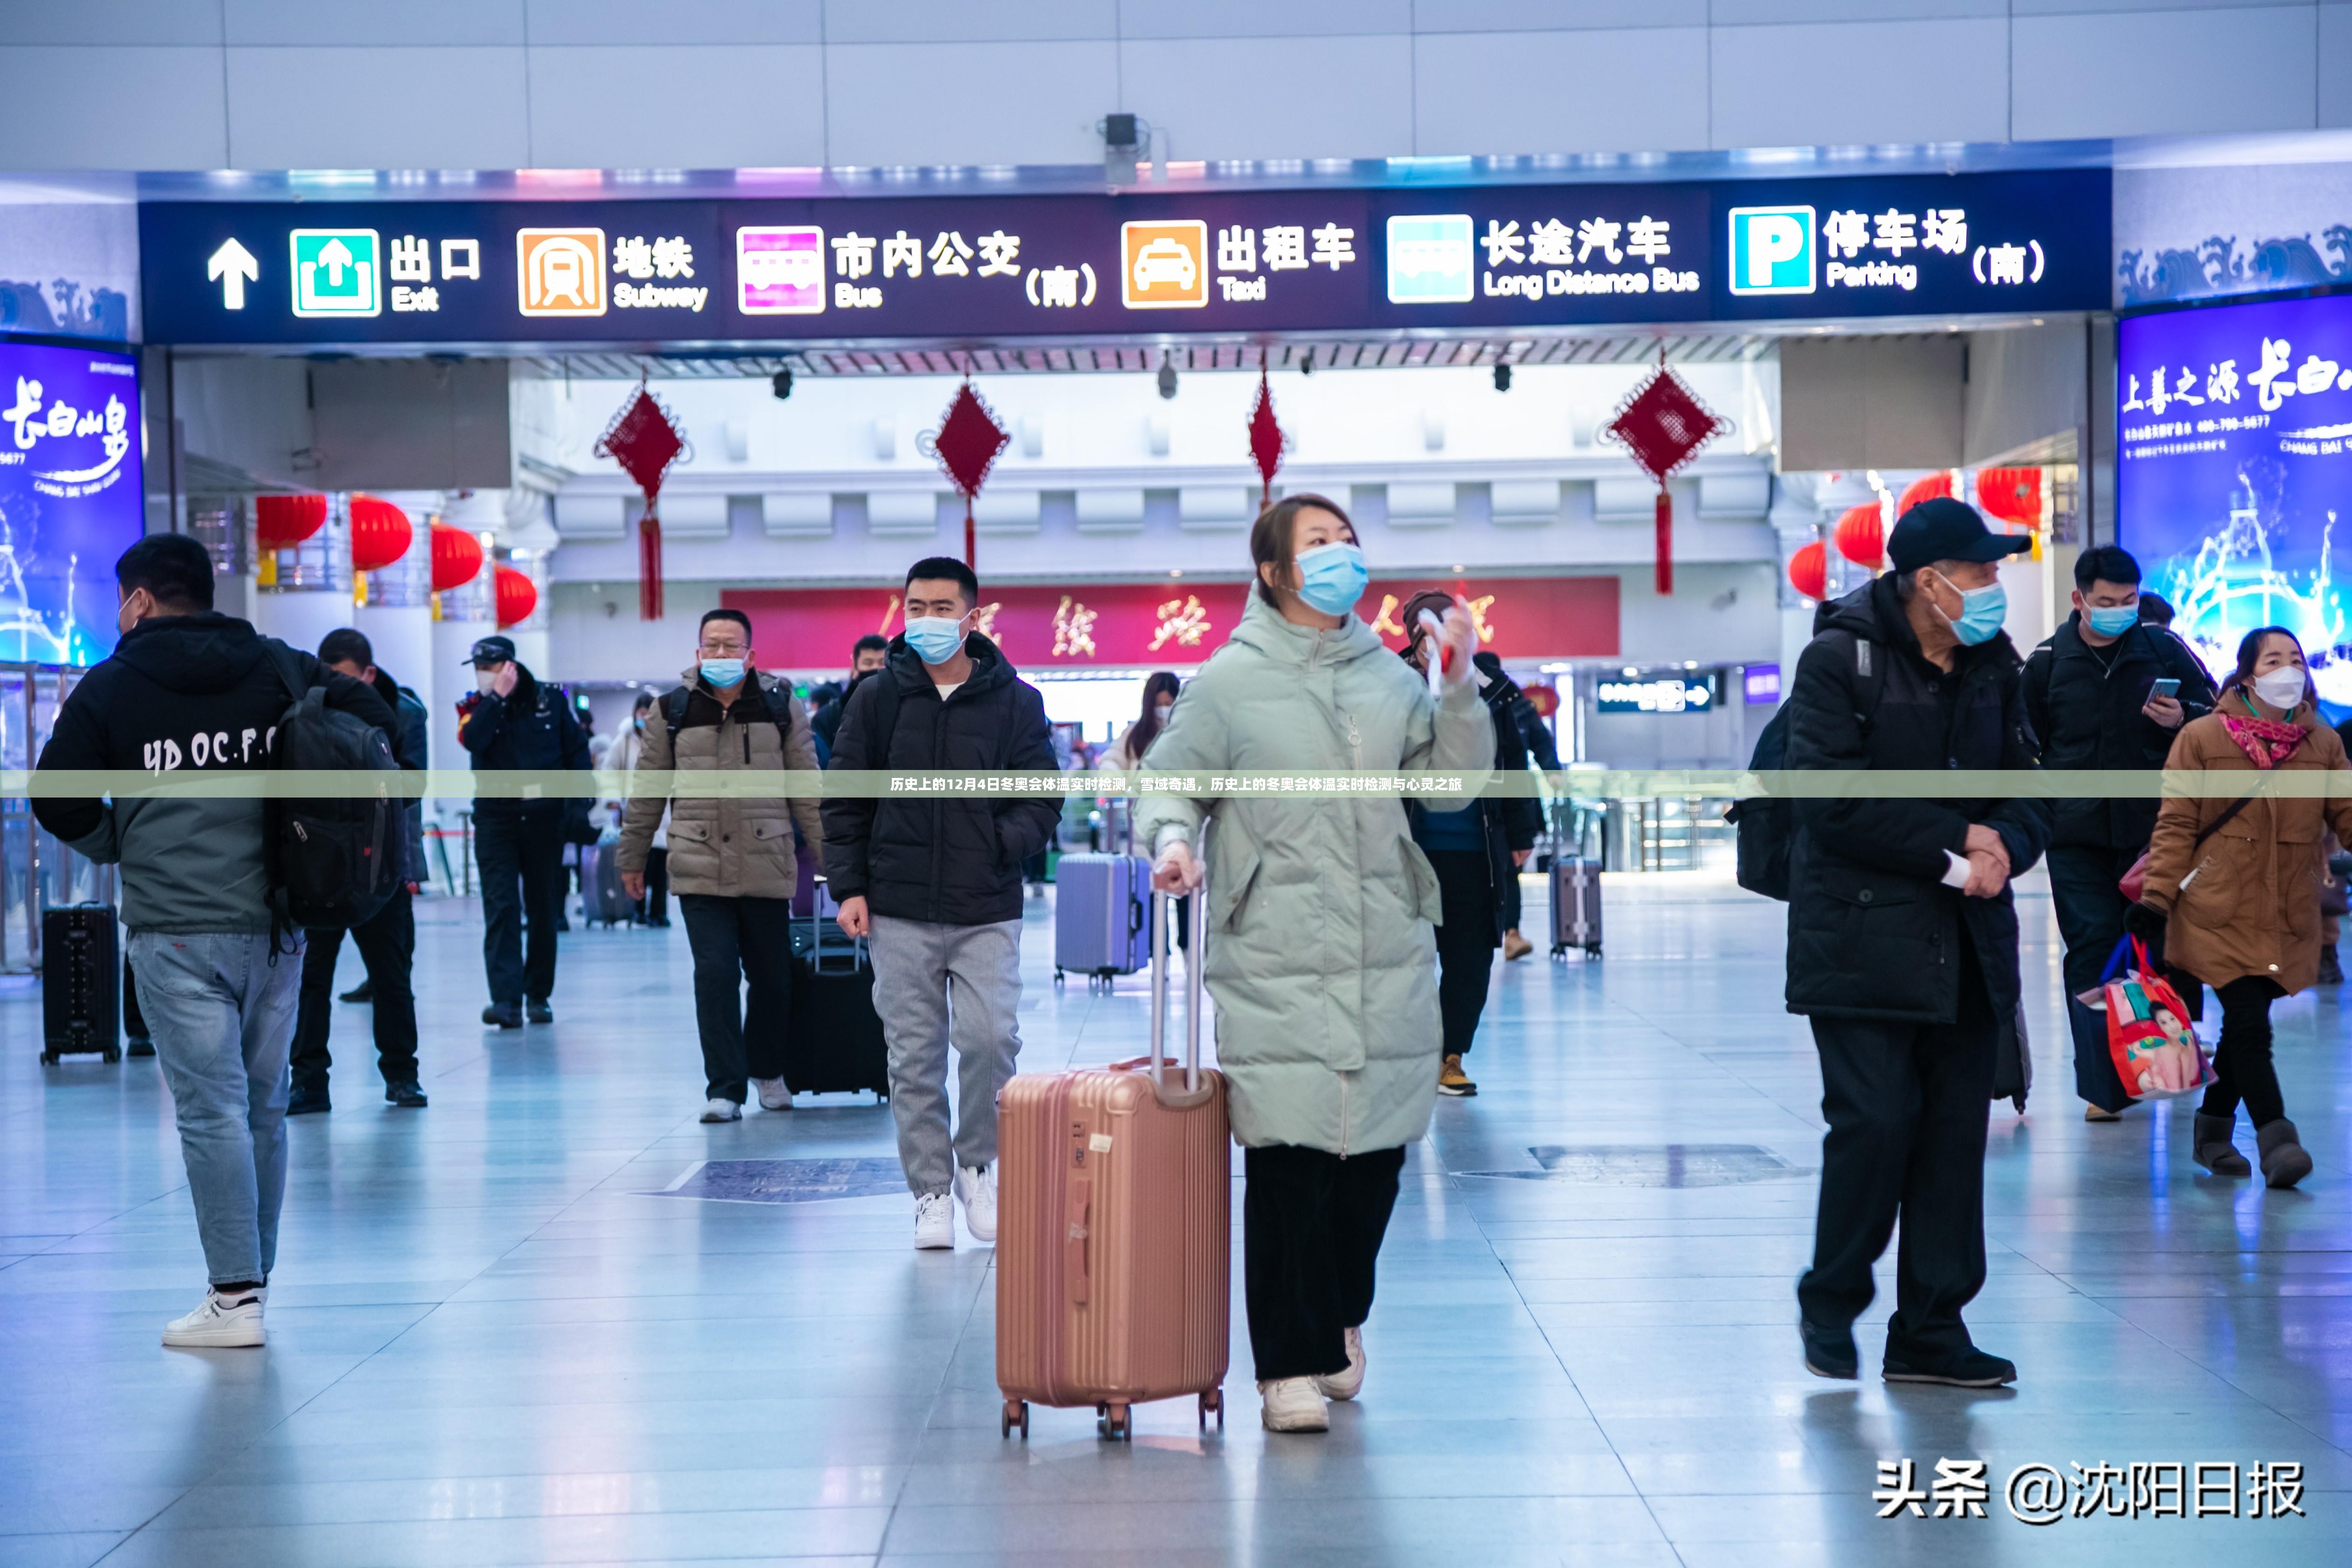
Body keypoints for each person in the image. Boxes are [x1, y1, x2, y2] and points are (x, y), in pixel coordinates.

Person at [1138, 494, 1494, 1434]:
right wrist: (1173, 840)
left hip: (1386, 942)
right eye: (1318, 543)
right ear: (1274, 572)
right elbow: (1171, 779)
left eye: (1347, 540)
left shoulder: (1390, 680)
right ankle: (1287, 1366)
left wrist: (1457, 690)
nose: (1341, 555)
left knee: (1374, 1158)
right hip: (1275, 950)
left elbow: (1451, 786)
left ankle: (1338, 1317)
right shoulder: (1228, 681)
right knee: (1291, 1160)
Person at [31, 534, 398, 1347]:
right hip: (276, 924)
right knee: (264, 1108)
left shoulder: (114, 683)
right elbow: (382, 718)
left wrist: (120, 840)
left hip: (175, 932)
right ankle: (251, 1287)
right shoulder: (275, 663)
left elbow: (55, 800)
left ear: (138, 601)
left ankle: (234, 1301)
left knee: (210, 1114)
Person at [1783, 497, 2050, 1389]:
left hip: (1968, 939)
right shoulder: (1838, 661)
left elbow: (2031, 782)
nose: (1991, 587)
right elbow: (1827, 796)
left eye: (1993, 571)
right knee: (1876, 1122)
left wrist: (2007, 841)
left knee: (1948, 1138)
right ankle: (1832, 1295)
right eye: (1978, 572)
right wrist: (1952, 852)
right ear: (1925, 581)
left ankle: (1933, 1328)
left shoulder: (1994, 667)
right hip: (1860, 937)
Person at [821, 558, 1062, 1250]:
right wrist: (851, 888)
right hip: (896, 906)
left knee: (991, 1041)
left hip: (986, 902)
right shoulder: (876, 699)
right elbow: (844, 798)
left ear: (972, 617)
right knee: (913, 1056)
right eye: (915, 607)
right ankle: (930, 1190)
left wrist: (998, 840)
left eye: (940, 607)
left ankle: (980, 1165)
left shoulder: (1015, 700)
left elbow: (1043, 794)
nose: (926, 620)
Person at [2130, 627, 2352, 1189]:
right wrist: (2157, 898)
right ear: (2247, 674)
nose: (2289, 669)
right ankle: (2279, 1138)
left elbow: (2345, 814)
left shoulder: (2322, 744)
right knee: (2250, 1025)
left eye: (2297, 659)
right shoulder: (2202, 738)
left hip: (2287, 911)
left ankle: (2211, 1131)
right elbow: (2177, 823)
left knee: (2244, 1026)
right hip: (2215, 907)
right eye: (2274, 659)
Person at [2022, 545, 2216, 1123]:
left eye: (2128, 601)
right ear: (2080, 599)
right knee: (2091, 947)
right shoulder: (2049, 661)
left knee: (2159, 948)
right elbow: (2023, 741)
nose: (2118, 611)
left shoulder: (2163, 647)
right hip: (2075, 833)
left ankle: (2169, 1060)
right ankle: (2104, 1087)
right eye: (2106, 602)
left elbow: (2215, 717)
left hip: (2155, 832)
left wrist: (2183, 719)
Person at [617, 610, 826, 1122]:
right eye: (711, 646)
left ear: (751, 655)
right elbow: (647, 793)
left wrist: (833, 859)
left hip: (765, 860)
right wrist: (633, 855)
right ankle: (724, 1088)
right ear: (697, 653)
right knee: (714, 976)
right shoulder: (672, 710)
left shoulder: (780, 706)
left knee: (773, 978)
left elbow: (809, 789)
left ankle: (768, 1070)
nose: (721, 655)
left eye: (731, 646)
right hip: (698, 861)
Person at [1398, 590, 1540, 1097]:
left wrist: (1523, 832)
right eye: (1423, 630)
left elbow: (1514, 761)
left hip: (1475, 849)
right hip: (1404, 850)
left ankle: (1450, 1055)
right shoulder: (1386, 685)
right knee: (1404, 962)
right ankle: (1407, 1056)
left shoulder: (1492, 688)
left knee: (1470, 958)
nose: (1432, 640)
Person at [287, 628, 432, 1114]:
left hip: (382, 868)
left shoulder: (405, 714)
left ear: (369, 674)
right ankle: (308, 1081)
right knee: (310, 981)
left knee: (392, 977)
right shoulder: (306, 714)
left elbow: (414, 786)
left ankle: (402, 1075)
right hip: (319, 868)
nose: (340, 690)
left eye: (348, 680)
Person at [457, 634, 591, 1028]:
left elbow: (576, 754)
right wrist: (495, 699)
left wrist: (579, 808)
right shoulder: (475, 707)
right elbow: (473, 740)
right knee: (501, 907)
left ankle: (537, 996)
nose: (484, 675)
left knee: (544, 908)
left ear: (511, 666)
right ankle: (506, 1001)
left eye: (491, 667)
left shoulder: (550, 701)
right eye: (479, 668)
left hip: (544, 819)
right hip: (495, 821)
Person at [1484, 654, 1561, 961]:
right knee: (1502, 870)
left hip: (1510, 804)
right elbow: (1542, 745)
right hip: (1484, 803)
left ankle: (1512, 933)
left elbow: (1540, 747)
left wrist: (1554, 773)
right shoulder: (1457, 698)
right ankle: (1507, 933)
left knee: (1508, 868)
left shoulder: (1513, 702)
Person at [603, 690, 670, 925]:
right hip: (634, 809)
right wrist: (611, 799)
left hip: (663, 813)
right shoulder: (624, 741)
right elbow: (610, 771)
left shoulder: (665, 736)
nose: (644, 718)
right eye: (641, 714)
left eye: (648, 714)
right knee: (638, 862)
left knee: (661, 866)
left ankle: (659, 912)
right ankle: (639, 910)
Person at [810, 633, 890, 760]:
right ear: (855, 667)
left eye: (882, 663)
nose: (876, 668)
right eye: (868, 663)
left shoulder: (904, 709)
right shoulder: (829, 716)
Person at [1097, 672, 1181, 772]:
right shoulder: (1135, 733)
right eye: (1158, 704)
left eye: (1168, 704)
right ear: (1149, 704)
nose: (1163, 709)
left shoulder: (1188, 731)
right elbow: (1113, 759)